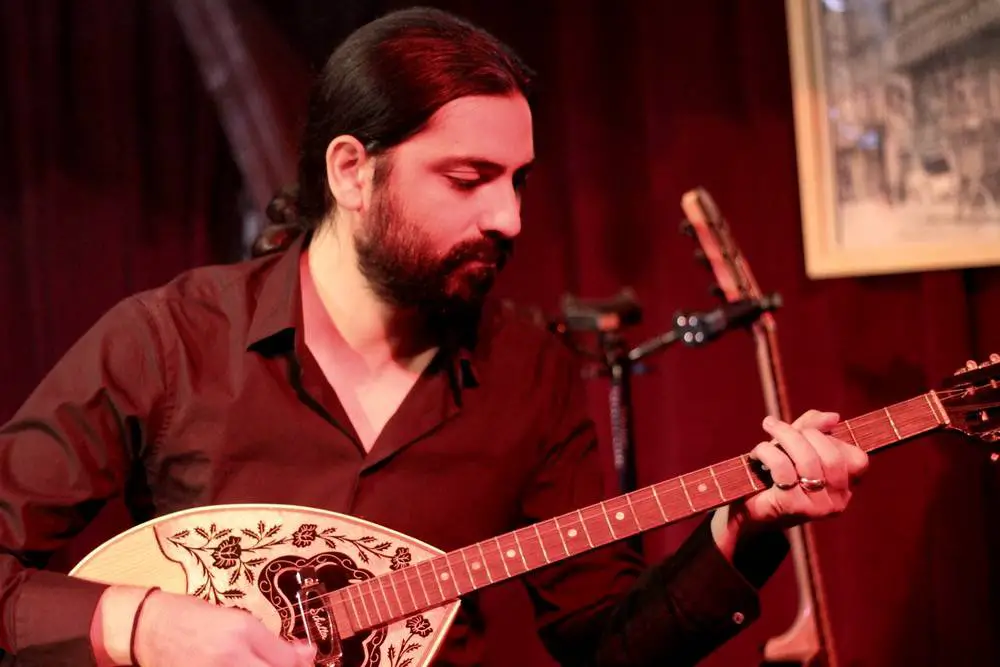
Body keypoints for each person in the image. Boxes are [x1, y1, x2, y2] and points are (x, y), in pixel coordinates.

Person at [0, 7, 868, 667]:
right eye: (468, 178)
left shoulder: (529, 371)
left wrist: (747, 527)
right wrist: (146, 622)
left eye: (518, 181)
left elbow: (606, 640)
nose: (509, 216)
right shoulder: (168, 342)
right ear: (352, 170)